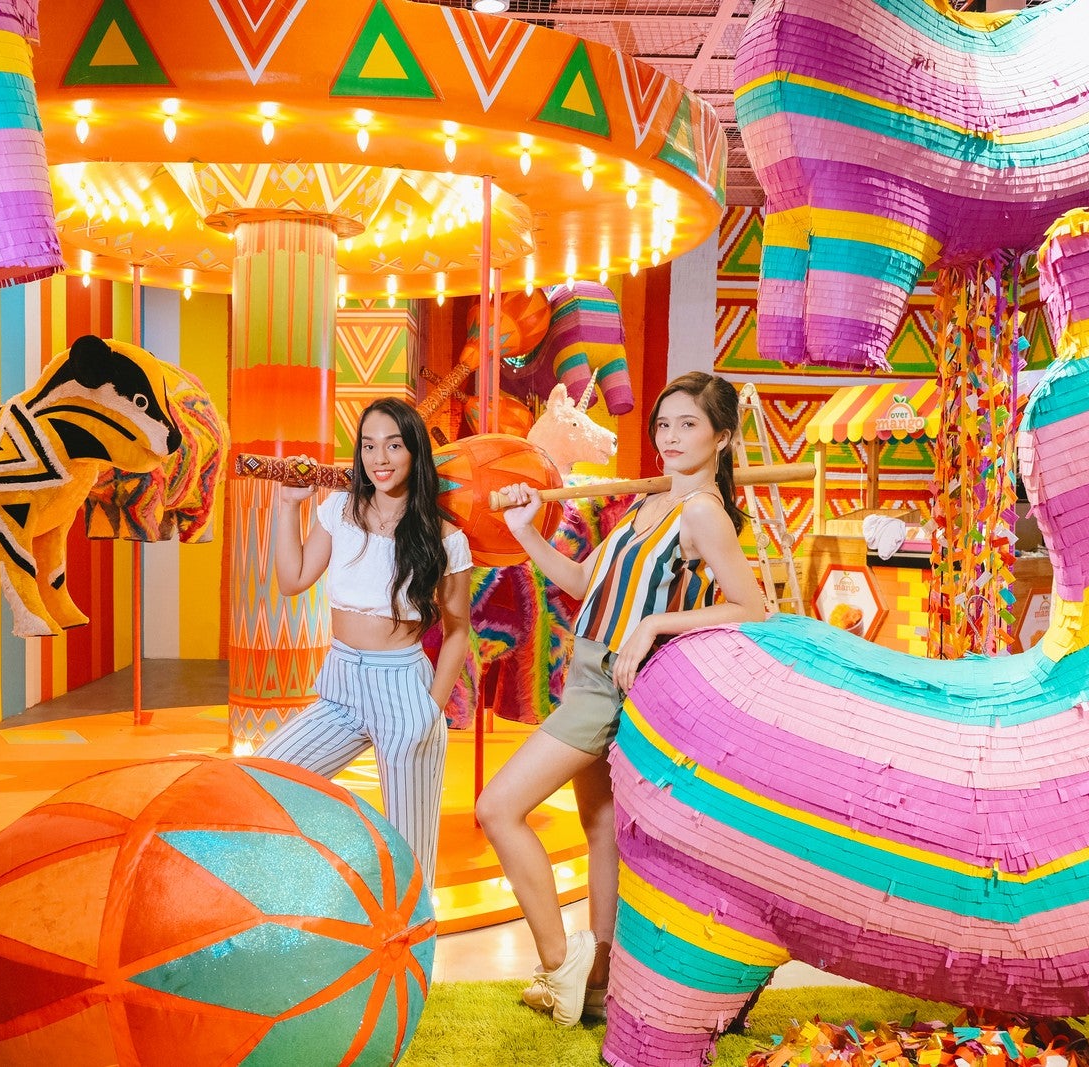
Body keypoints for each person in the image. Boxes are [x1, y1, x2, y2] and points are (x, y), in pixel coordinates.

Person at [476, 371, 769, 1026]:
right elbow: (584, 580)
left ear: (721, 437)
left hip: (611, 683)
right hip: (586, 670)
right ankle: (601, 977)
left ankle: (560, 962)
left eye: (688, 424)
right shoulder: (649, 503)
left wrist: (654, 623)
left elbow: (752, 608)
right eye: (663, 423)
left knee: (497, 807)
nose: (669, 436)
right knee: (600, 829)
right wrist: (526, 531)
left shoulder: (701, 512)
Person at [257, 398, 473, 888]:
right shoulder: (339, 509)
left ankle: (412, 955)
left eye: (394, 445)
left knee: (410, 851)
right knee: (266, 775)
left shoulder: (445, 537)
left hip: (404, 689)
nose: (380, 458)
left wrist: (432, 708)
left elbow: (458, 629)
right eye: (369, 445)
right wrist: (287, 505)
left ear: (415, 452)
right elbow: (291, 580)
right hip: (341, 683)